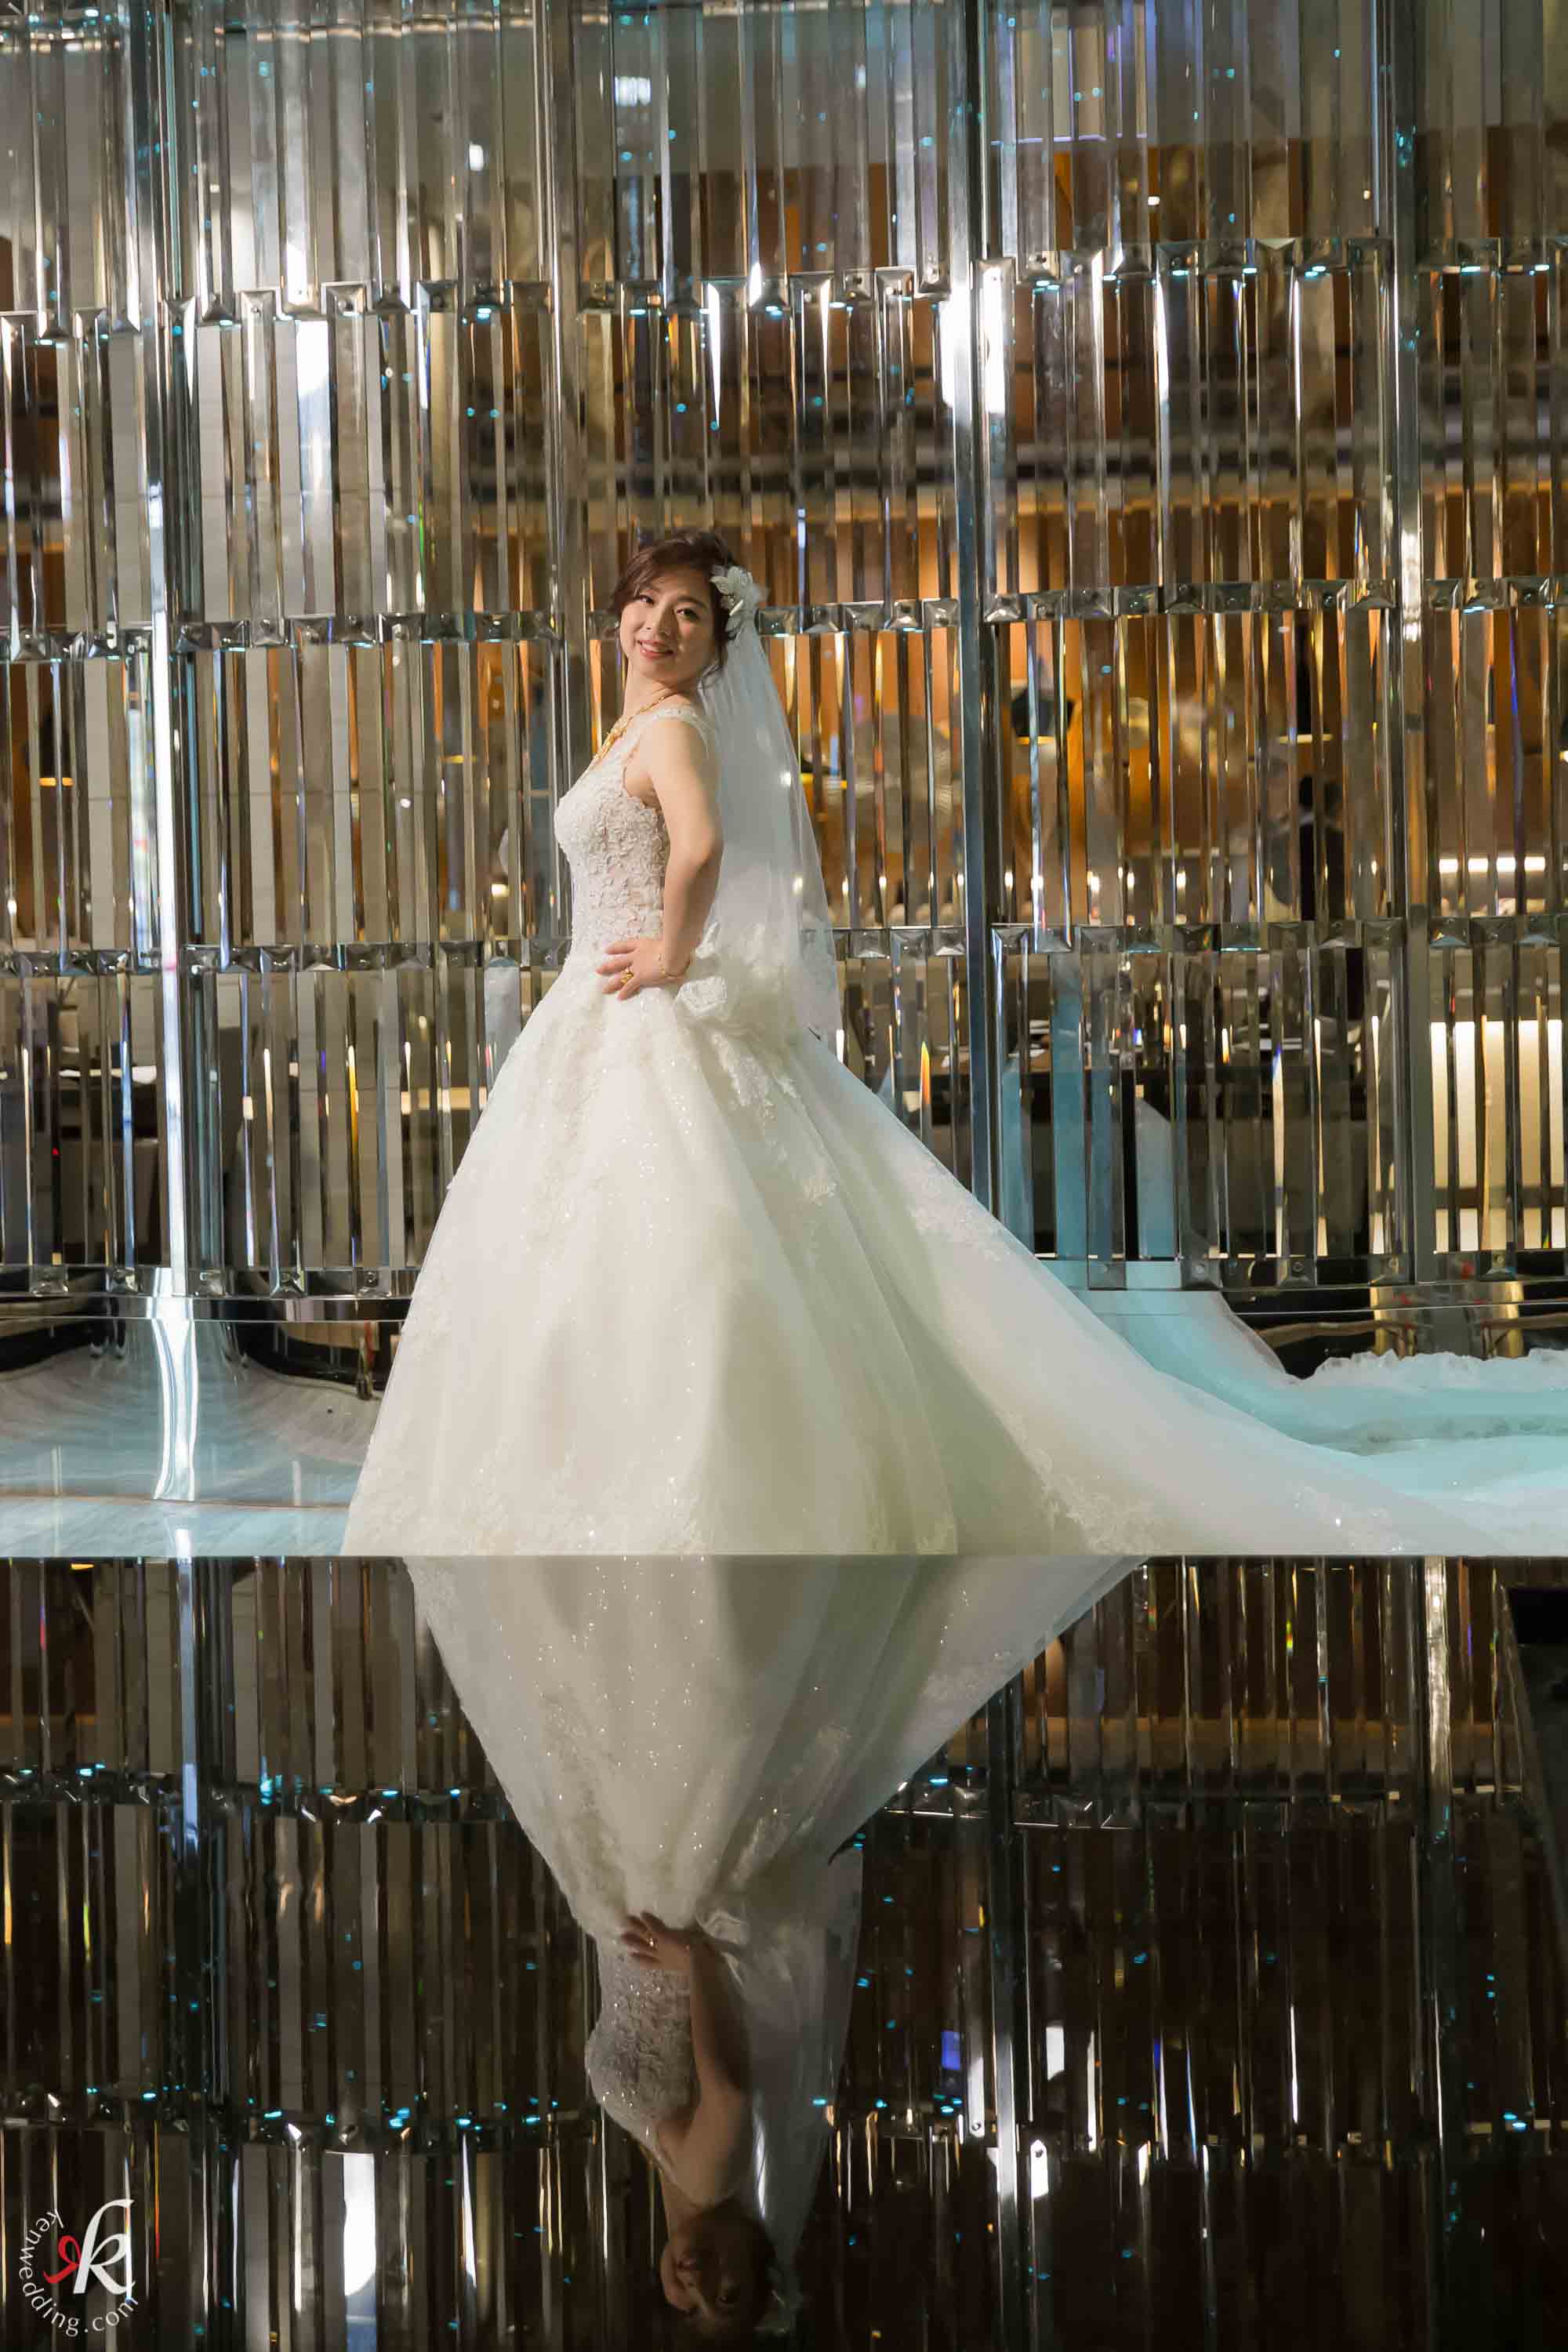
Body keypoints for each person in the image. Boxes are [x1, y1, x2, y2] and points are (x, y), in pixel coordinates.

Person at [342, 530, 1568, 1557]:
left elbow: (703, 846)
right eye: (648, 606)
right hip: (598, 1013)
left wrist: (668, 952)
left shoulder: (671, 731)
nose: (660, 627)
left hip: (648, 1006)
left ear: (719, 645)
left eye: (690, 616)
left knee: (676, 1247)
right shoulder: (629, 730)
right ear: (619, 614)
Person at [397, 1552, 1136, 2341]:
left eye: (695, 2302)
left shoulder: (679, 2178)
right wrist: (694, 1963)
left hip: (633, 1899)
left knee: (613, 1695)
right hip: (669, 1900)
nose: (700, 2281)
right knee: (668, 1698)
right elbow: (731, 2093)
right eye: (731, 2290)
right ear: (761, 2260)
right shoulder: (711, 2173)